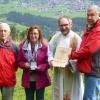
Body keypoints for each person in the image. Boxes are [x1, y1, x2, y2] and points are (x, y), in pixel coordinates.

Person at [48, 16, 84, 100]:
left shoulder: (77, 39)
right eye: (61, 25)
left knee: (73, 96)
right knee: (59, 95)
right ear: (59, 26)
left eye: (66, 25)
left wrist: (71, 63)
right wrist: (51, 60)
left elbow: (81, 55)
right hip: (59, 73)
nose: (63, 27)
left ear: (70, 25)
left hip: (72, 73)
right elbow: (49, 50)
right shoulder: (56, 37)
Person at [70, 5, 100, 100]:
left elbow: (89, 49)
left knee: (89, 97)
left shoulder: (98, 30)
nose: (89, 17)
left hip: (95, 70)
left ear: (99, 15)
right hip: (90, 69)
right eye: (88, 15)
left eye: (92, 15)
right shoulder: (92, 28)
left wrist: (72, 55)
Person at [17, 25, 51, 100]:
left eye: (35, 33)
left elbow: (48, 63)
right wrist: (24, 64)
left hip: (40, 78)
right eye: (31, 33)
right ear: (28, 34)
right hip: (28, 78)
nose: (33, 35)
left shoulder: (44, 47)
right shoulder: (22, 46)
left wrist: (39, 67)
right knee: (29, 98)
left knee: (40, 98)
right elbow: (19, 61)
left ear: (39, 35)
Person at [0, 23, 18, 100]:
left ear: (9, 32)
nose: (3, 33)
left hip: (8, 80)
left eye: (5, 31)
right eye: (1, 31)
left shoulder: (14, 47)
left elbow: (17, 64)